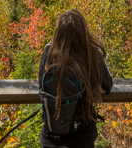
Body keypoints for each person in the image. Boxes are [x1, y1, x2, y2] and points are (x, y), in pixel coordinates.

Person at [39, 9, 113, 148]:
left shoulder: (49, 51)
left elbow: (41, 87)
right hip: (82, 133)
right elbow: (107, 86)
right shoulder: (91, 53)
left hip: (51, 135)